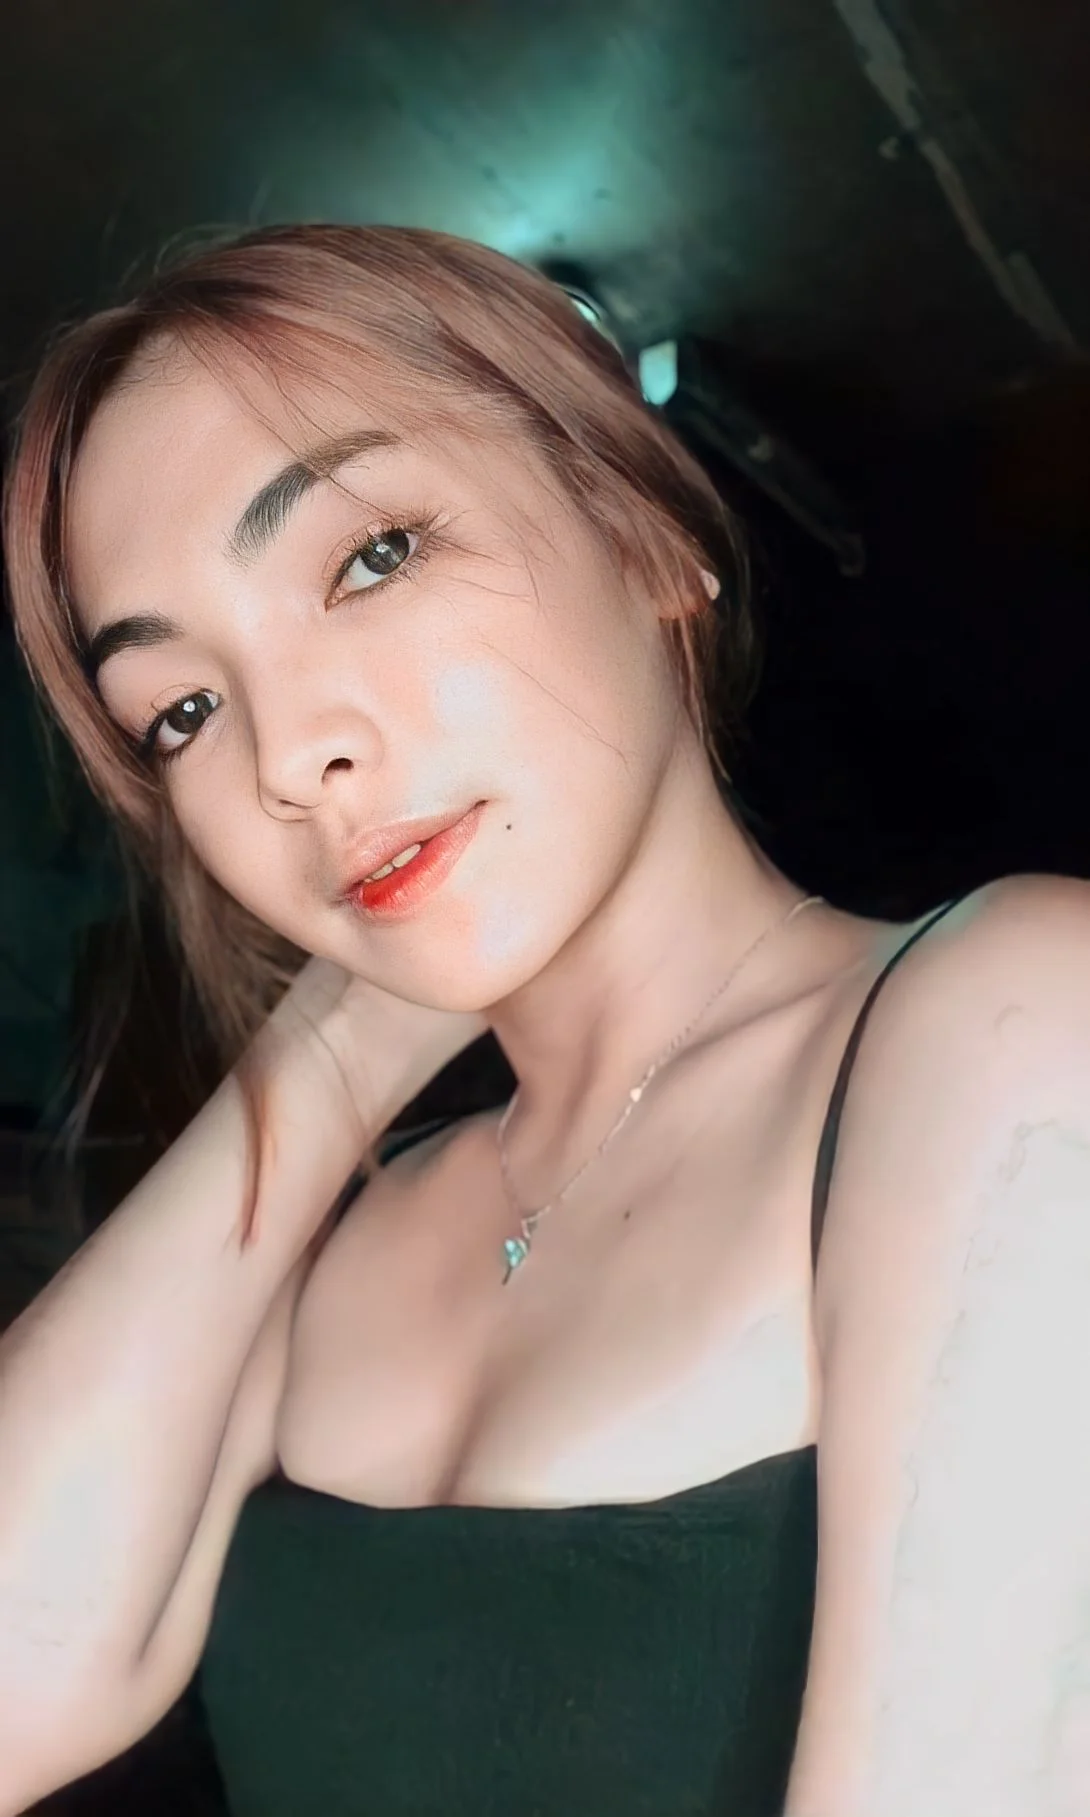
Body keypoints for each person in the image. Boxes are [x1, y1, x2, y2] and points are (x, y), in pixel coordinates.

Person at [1, 225, 1089, 1817]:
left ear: (643, 537)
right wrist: (340, 1035)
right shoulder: (327, 1243)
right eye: (183, 711)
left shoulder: (1013, 1021)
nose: (289, 757)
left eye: (371, 558)